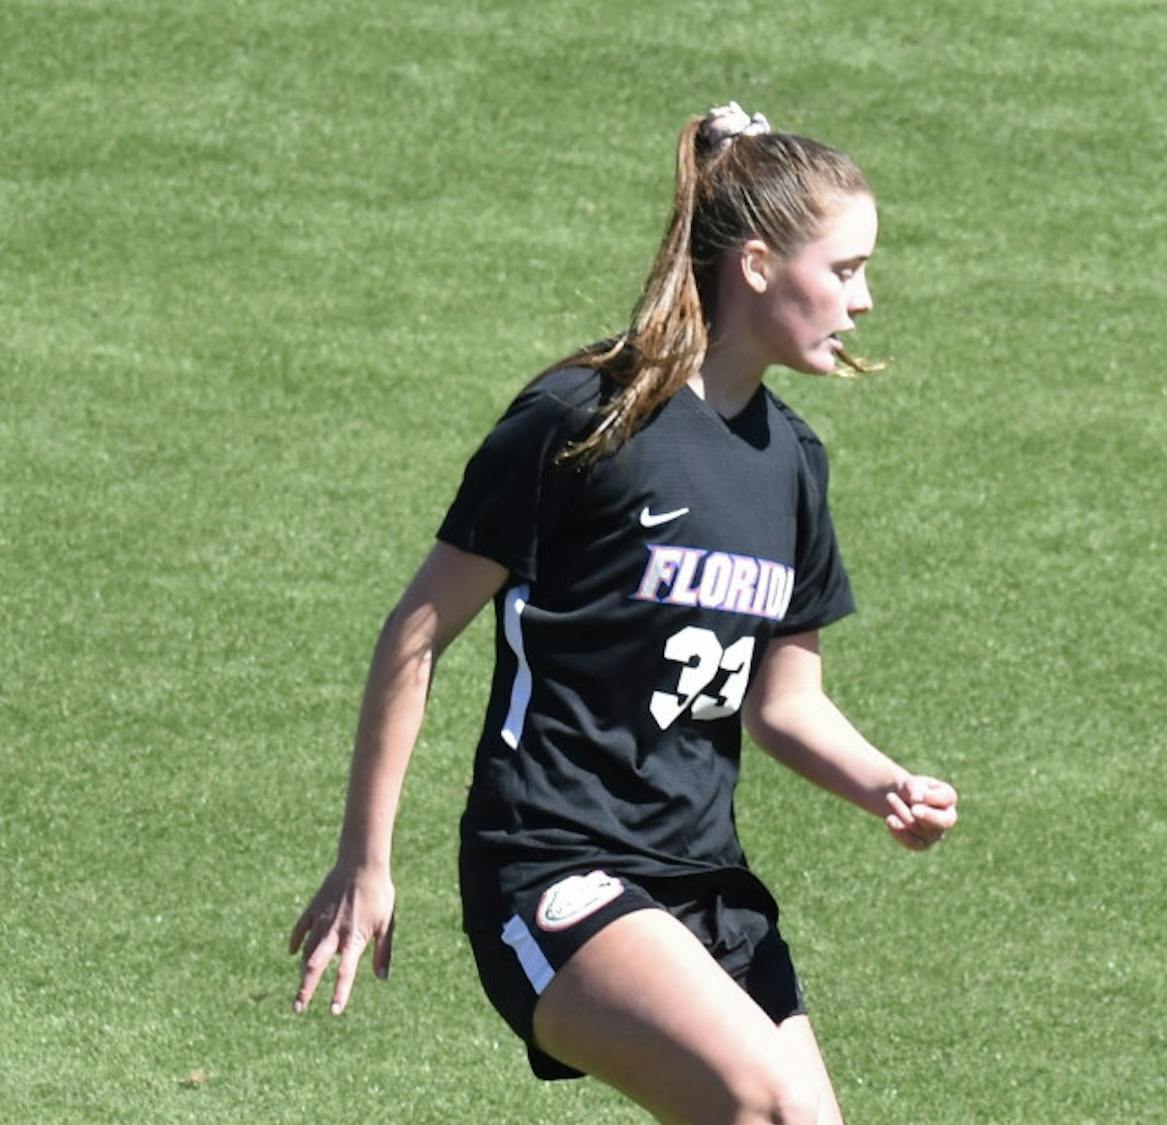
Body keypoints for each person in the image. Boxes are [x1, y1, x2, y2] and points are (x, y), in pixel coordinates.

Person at [289, 101, 959, 1125]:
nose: (864, 301)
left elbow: (785, 703)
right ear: (759, 265)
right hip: (552, 859)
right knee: (757, 1106)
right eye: (846, 269)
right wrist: (364, 861)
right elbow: (418, 631)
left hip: (702, 874)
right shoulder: (584, 421)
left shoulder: (792, 464)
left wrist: (883, 786)